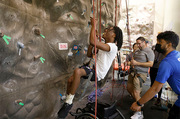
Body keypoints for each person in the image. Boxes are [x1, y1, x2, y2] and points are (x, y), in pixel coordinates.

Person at [57, 17, 123, 119]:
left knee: (77, 72)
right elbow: (89, 53)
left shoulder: (112, 47)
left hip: (97, 72)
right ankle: (68, 100)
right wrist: (94, 42)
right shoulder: (104, 46)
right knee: (70, 80)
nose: (105, 31)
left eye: (108, 30)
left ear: (114, 35)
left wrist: (94, 25)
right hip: (91, 67)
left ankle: (69, 102)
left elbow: (93, 42)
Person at [130, 31, 180, 119]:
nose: (157, 44)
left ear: (169, 45)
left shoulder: (167, 63)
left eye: (160, 42)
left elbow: (155, 88)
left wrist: (139, 103)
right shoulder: (177, 55)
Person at [127, 37, 154, 119]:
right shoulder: (137, 51)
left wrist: (137, 63)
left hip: (141, 74)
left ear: (144, 42)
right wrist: (131, 63)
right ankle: (139, 102)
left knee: (136, 92)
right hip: (132, 72)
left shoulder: (149, 52)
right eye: (137, 43)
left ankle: (139, 113)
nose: (137, 45)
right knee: (129, 89)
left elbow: (150, 64)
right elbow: (134, 61)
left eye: (139, 43)